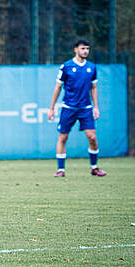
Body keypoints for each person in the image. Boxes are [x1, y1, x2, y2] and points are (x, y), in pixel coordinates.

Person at [47, 39, 106, 177]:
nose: (85, 51)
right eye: (83, 48)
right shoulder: (66, 66)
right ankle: (61, 170)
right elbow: (58, 87)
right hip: (69, 108)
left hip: (86, 108)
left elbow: (94, 87)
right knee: (63, 137)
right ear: (76, 49)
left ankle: (94, 167)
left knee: (92, 137)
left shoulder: (92, 67)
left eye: (87, 48)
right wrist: (51, 108)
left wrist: (96, 107)